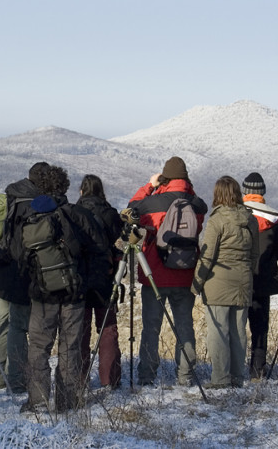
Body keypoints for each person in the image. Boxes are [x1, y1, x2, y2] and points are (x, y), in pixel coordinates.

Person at [19, 165, 110, 413]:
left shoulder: (31, 216)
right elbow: (100, 252)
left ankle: (38, 401)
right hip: (74, 294)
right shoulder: (79, 215)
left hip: (42, 293)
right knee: (70, 347)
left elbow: (18, 253)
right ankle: (67, 402)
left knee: (38, 347)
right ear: (66, 188)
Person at [126, 156, 207, 387]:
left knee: (151, 327)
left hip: (155, 275)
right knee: (185, 326)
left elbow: (131, 210)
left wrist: (150, 186)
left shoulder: (154, 202)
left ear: (166, 177)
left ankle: (147, 376)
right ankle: (186, 376)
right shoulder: (195, 203)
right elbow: (198, 222)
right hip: (185, 272)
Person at [0, 161, 50, 393]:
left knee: (5, 323)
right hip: (25, 271)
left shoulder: (10, 195)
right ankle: (18, 380)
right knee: (21, 326)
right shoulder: (39, 203)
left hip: (4, 269)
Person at [192, 176, 258, 388]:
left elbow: (207, 255)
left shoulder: (217, 220)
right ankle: (237, 377)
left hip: (217, 282)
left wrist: (196, 283)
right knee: (239, 331)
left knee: (218, 331)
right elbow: (255, 255)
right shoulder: (250, 220)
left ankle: (220, 378)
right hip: (243, 281)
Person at [75, 174, 124, 389]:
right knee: (107, 329)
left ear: (81, 191)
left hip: (80, 277)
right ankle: (110, 379)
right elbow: (118, 237)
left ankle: (80, 379)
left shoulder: (74, 213)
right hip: (106, 275)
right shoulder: (111, 214)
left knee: (80, 330)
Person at [242, 172, 278, 379]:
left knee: (235, 326)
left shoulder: (236, 215)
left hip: (239, 280)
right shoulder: (274, 220)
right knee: (260, 328)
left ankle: (233, 368)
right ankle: (257, 370)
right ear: (263, 193)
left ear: (244, 191)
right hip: (263, 280)